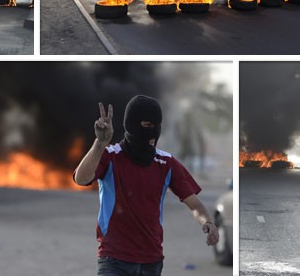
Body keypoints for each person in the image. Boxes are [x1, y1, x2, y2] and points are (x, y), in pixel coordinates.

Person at [74, 95, 220, 275]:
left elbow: (195, 205)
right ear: (132, 124)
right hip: (114, 260)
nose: (153, 132)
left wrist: (208, 222)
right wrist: (99, 144)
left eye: (156, 126)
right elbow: (81, 179)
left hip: (152, 261)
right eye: (147, 125)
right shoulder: (110, 156)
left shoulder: (166, 163)